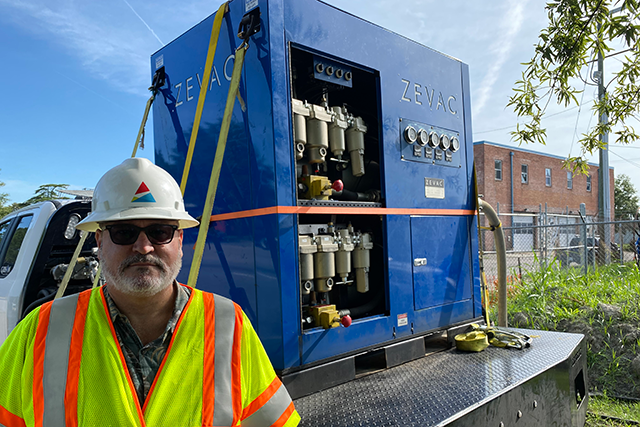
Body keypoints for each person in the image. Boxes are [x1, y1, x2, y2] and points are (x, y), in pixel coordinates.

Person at [0, 158, 300, 427]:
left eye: (159, 232)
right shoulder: (40, 329)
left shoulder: (228, 323)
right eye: (124, 232)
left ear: (179, 240)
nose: (143, 247)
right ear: (100, 241)